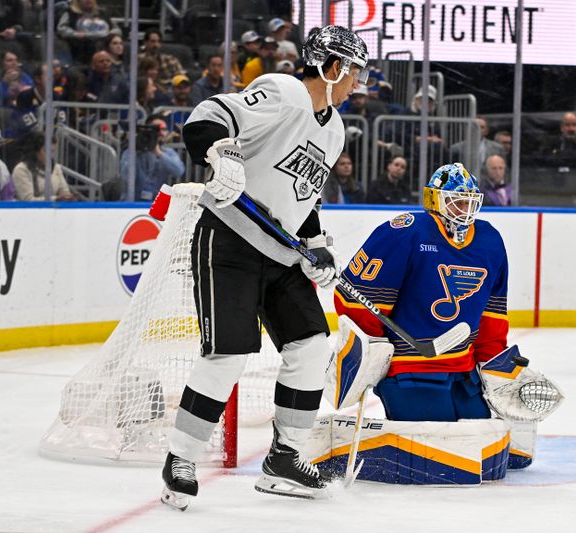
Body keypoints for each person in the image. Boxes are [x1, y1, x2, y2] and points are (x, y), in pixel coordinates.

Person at [160, 25, 369, 508]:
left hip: (281, 253)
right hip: (229, 239)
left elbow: (304, 196)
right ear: (333, 66)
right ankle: (181, 457)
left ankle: (285, 457)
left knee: (313, 343)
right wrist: (222, 154)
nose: (357, 81)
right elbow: (207, 116)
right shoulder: (284, 91)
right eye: (354, 70)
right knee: (228, 354)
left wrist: (317, 247)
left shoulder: (333, 128)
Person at [334, 163, 509, 422]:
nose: (463, 210)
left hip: (464, 373)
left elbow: (493, 315)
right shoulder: (405, 231)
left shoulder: (490, 240)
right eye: (455, 202)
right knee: (438, 450)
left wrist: (495, 369)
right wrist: (376, 352)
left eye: (469, 203)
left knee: (481, 443)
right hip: (409, 370)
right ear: (434, 200)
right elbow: (355, 300)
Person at [120, 115, 185, 201]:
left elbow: (179, 171)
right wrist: (134, 147)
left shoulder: (168, 152)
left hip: (157, 202)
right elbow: (125, 176)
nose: (160, 133)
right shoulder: (131, 151)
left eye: (164, 129)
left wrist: (159, 153)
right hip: (132, 201)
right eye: (156, 129)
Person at [12, 132, 75, 201]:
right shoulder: (21, 169)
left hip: (54, 210)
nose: (50, 155)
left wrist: (68, 197)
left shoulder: (56, 168)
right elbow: (28, 200)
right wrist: (56, 199)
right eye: (46, 151)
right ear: (35, 151)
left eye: (52, 151)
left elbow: (64, 192)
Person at [56, 0, 115, 65]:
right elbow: (61, 29)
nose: (88, 0)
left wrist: (108, 34)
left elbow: (116, 29)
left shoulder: (102, 12)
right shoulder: (70, 12)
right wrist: (76, 34)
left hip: (100, 47)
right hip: (78, 49)